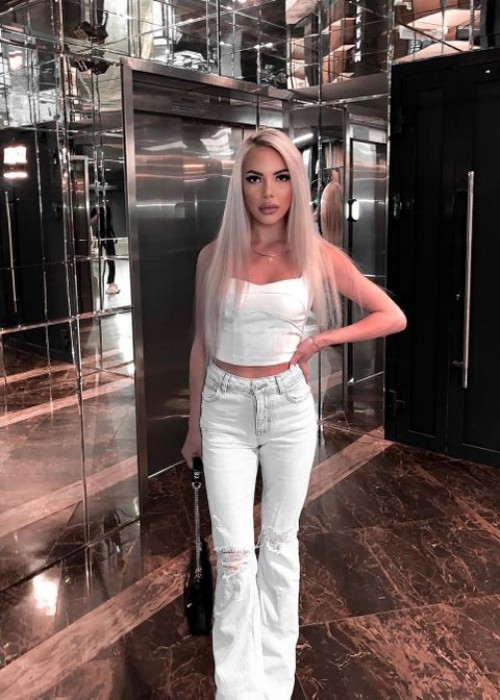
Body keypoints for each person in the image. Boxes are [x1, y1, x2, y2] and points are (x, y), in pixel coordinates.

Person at [181, 128, 406, 700]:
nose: (268, 192)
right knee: (235, 556)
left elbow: (392, 315)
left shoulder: (317, 255)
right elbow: (201, 345)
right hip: (224, 410)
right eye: (254, 178)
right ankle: (238, 689)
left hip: (286, 410)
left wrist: (321, 339)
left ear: (296, 184)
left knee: (279, 546)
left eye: (281, 177)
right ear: (239, 186)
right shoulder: (213, 256)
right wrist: (193, 428)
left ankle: (274, 684)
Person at [89, 202, 120, 295]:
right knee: (97, 259)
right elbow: (90, 222)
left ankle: (111, 282)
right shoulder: (95, 208)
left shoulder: (107, 208)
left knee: (111, 259)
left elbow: (109, 223)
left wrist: (113, 235)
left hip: (108, 235)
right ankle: (96, 279)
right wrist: (98, 214)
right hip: (99, 235)